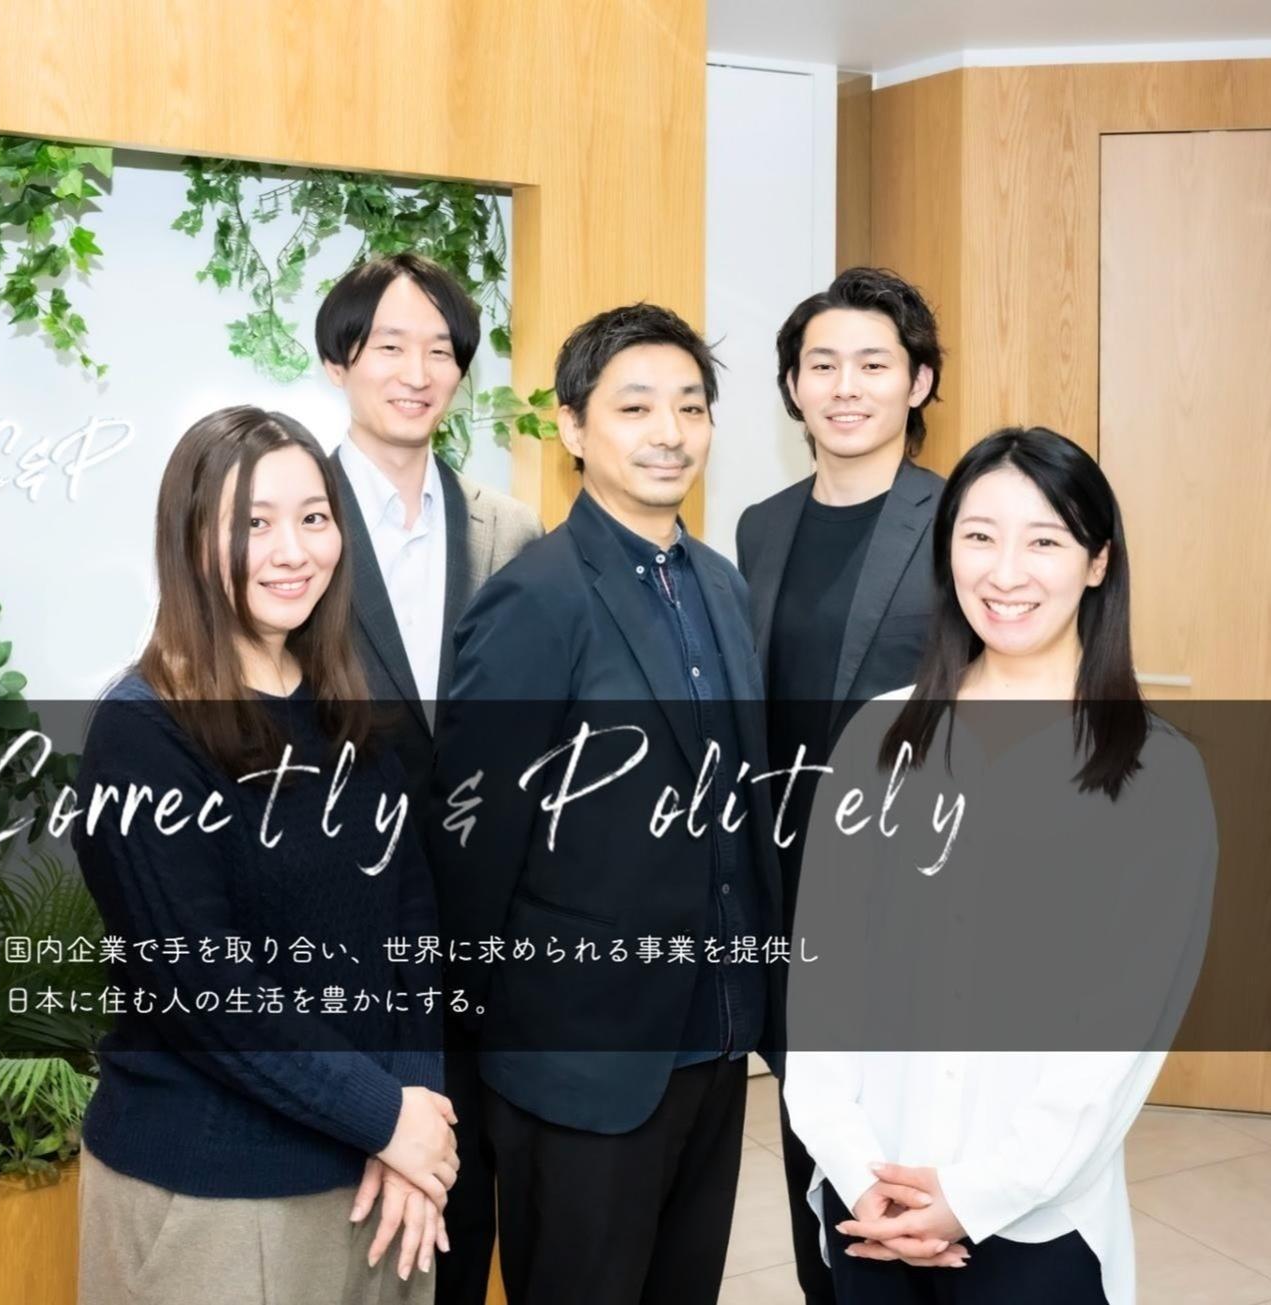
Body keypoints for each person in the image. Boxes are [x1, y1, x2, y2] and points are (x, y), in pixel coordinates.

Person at [782, 427, 1219, 1305]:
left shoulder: (1156, 774)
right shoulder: (878, 736)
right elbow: (824, 988)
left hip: (1038, 1226)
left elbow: (1120, 1036)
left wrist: (976, 1197)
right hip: (870, 1207)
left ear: (1098, 562)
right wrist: (856, 1171)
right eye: (979, 535)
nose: (1006, 572)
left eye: (1044, 540)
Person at [431, 304, 785, 1305]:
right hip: (579, 1063)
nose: (670, 431)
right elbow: (472, 842)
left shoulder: (722, 587)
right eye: (635, 407)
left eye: (690, 406)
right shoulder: (536, 597)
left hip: (715, 1039)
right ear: (574, 427)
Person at [72, 406, 456, 1304]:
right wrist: (388, 1116)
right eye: (253, 522)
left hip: (381, 1180)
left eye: (313, 517)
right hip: (217, 1198)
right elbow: (208, 991)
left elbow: (411, 922)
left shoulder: (345, 707)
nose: (292, 550)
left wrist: (416, 1115)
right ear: (189, 541)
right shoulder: (144, 733)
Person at [315, 253, 543, 1305]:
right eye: (389, 347)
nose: (417, 372)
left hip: (485, 940)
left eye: (441, 351)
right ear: (338, 361)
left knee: (468, 1207)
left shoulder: (508, 528)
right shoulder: (290, 520)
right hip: (345, 935)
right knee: (356, 1227)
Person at [734, 267, 946, 1305]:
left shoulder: (960, 521)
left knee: (916, 1149)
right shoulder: (760, 526)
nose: (845, 386)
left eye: (873, 363)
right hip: (790, 895)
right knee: (813, 1143)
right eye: (822, 365)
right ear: (792, 386)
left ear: (918, 382)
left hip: (919, 892)